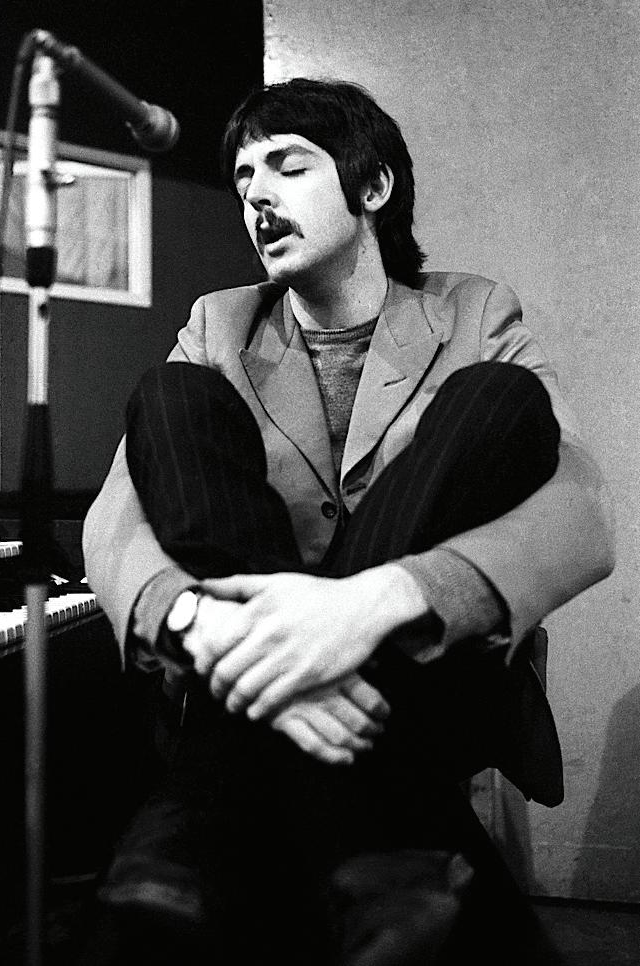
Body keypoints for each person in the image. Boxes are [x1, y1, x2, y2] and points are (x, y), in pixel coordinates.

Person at [81, 78, 615, 965]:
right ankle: (385, 849)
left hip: (426, 666)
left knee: (498, 397)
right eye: (244, 177)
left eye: (287, 166)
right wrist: (196, 619)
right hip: (250, 661)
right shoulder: (219, 323)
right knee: (170, 397)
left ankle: (187, 825)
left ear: (373, 187)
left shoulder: (474, 311)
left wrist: (371, 602)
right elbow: (119, 513)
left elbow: (577, 507)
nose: (256, 195)